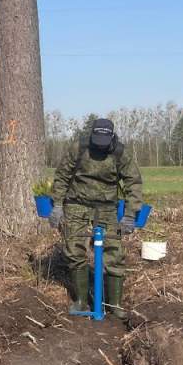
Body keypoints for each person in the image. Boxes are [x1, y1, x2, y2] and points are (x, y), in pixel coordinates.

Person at [49, 118, 143, 320]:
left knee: (114, 252)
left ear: (111, 137)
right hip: (77, 204)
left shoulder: (119, 153)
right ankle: (81, 300)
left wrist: (130, 214)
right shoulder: (80, 148)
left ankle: (114, 303)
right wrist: (57, 205)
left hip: (107, 207)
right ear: (91, 135)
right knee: (73, 250)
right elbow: (62, 175)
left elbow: (133, 182)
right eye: (96, 139)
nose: (99, 144)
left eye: (104, 140)